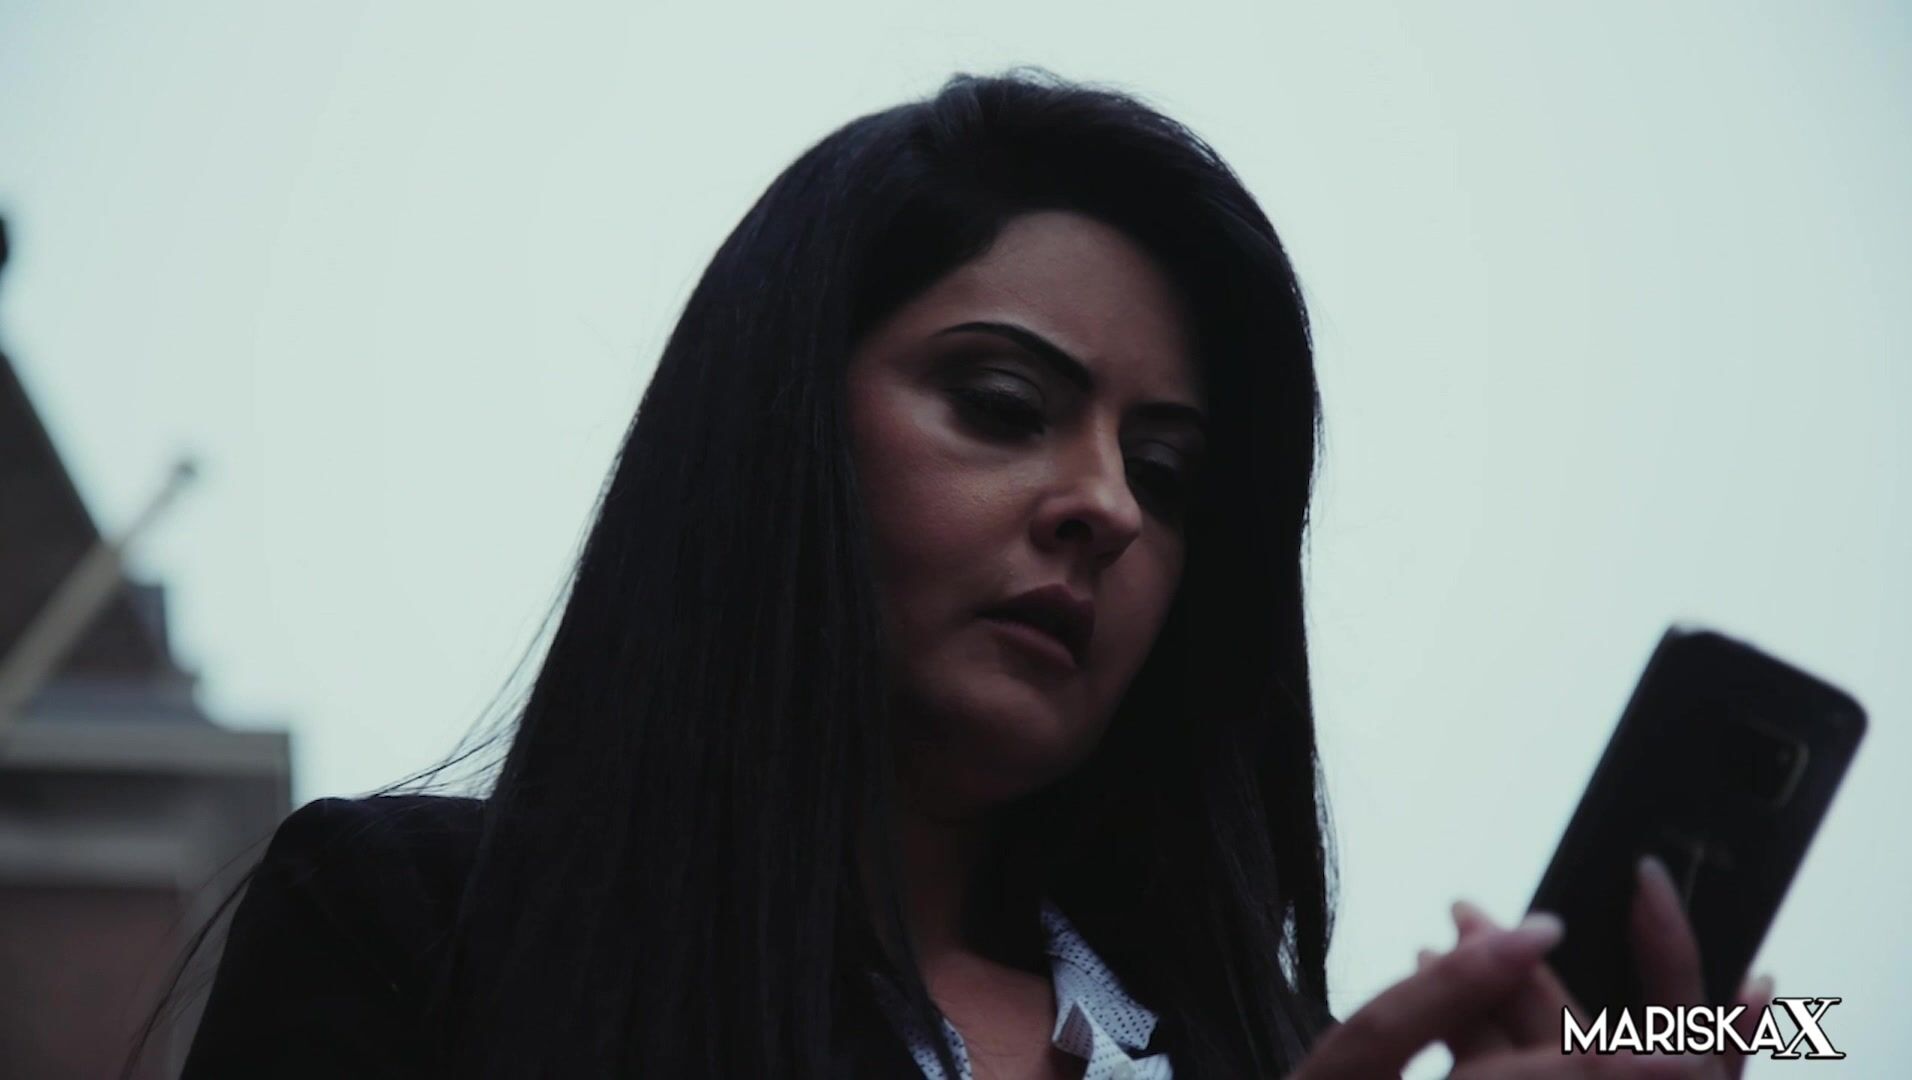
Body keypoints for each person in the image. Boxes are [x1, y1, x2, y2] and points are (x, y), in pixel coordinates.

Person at [148, 68, 1775, 1079]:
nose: (1107, 509)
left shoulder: (1258, 1049)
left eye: (1169, 476)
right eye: (1003, 404)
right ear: (782, 428)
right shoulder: (413, 932)